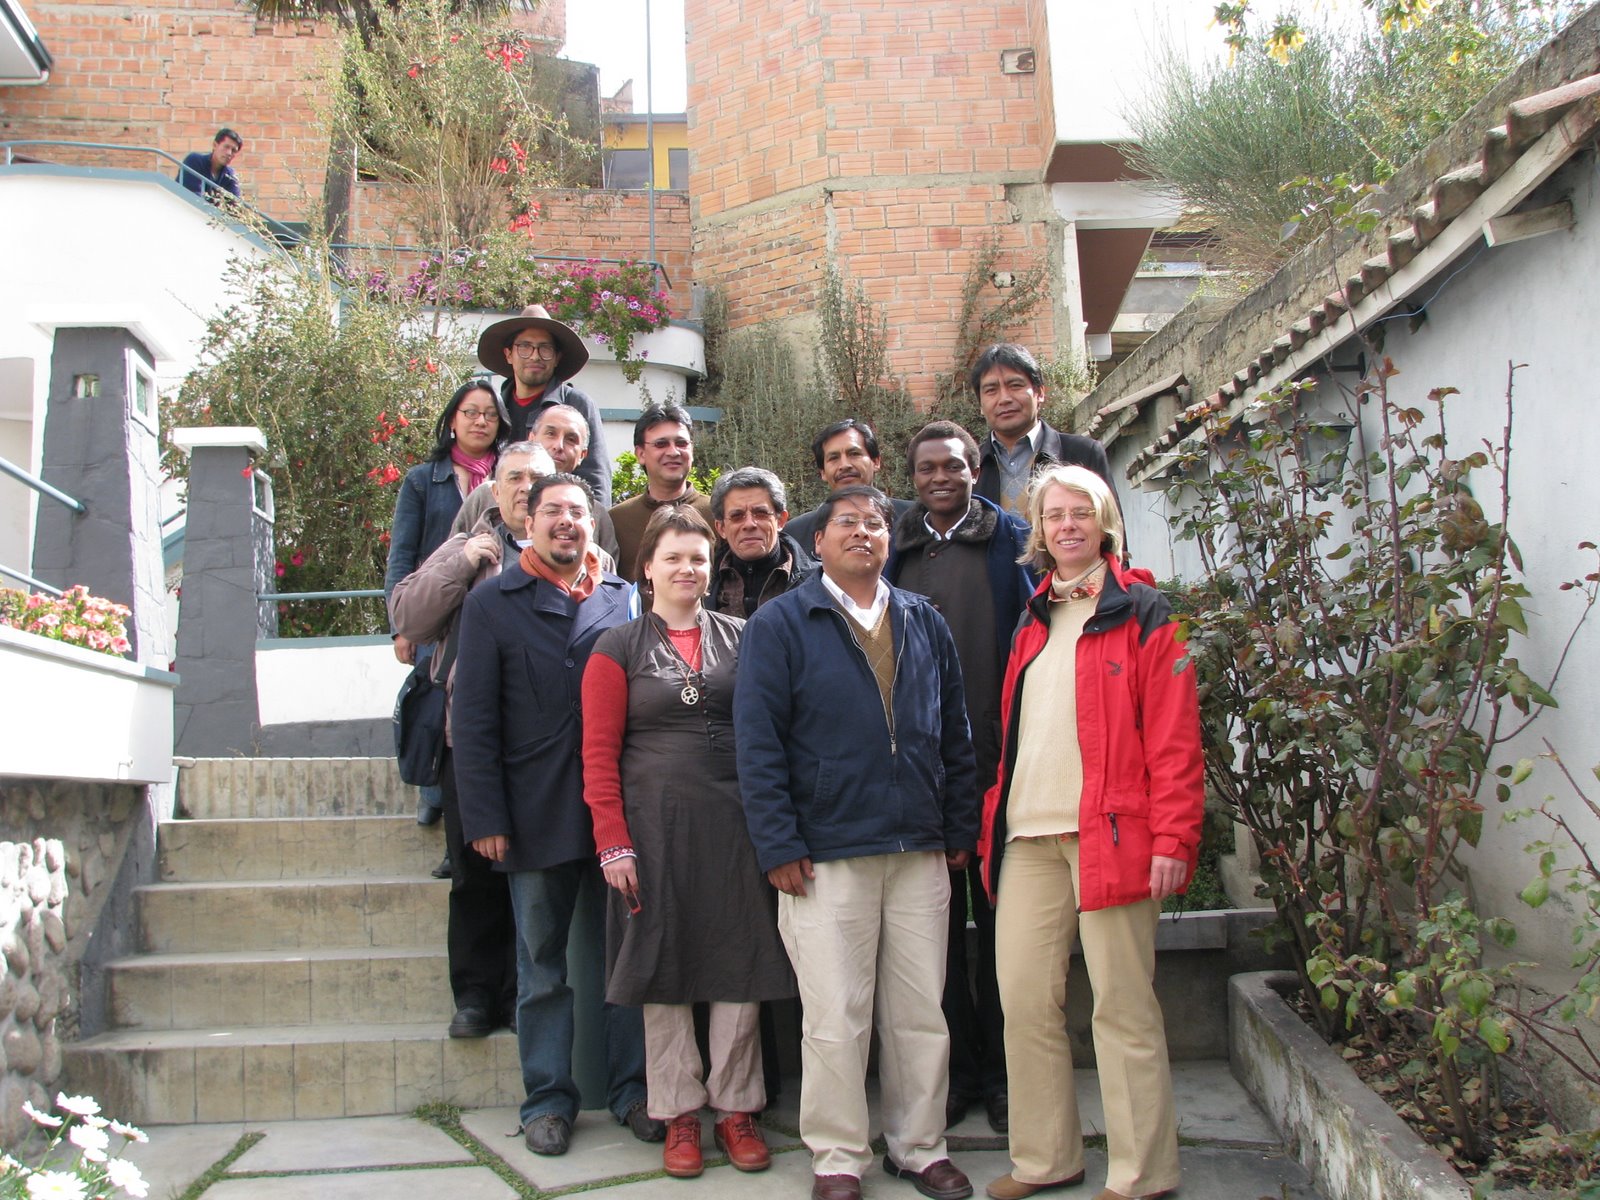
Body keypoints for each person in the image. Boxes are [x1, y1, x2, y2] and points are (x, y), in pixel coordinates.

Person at [736, 485, 979, 1200]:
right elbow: (757, 743)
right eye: (847, 522)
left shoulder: (923, 620)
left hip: (919, 848)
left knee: (920, 1013)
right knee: (836, 1016)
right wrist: (778, 842)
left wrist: (958, 825)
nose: (863, 532)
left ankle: (919, 1146)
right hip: (825, 851)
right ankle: (839, 1157)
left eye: (876, 522)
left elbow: (955, 731)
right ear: (818, 541)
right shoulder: (782, 623)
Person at [977, 465, 1204, 1200]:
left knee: (1122, 1006)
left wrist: (1174, 838)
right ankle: (1046, 1159)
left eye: (1081, 512)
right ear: (1039, 532)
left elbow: (1175, 736)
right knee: (1023, 1003)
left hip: (1111, 835)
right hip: (1026, 839)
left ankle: (1142, 1174)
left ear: (1104, 522)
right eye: (1054, 515)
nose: (1067, 525)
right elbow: (1017, 737)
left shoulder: (1144, 610)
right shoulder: (1032, 618)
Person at [582, 506, 796, 1178]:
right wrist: (613, 842)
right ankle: (677, 1112)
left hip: (736, 829)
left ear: (712, 567)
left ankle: (736, 1109)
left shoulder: (745, 637)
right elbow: (597, 755)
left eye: (698, 558)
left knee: (741, 961)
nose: (687, 569)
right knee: (663, 965)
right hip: (653, 831)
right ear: (646, 567)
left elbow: (774, 732)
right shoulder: (616, 646)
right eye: (673, 557)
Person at [451, 472, 660, 1156]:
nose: (567, 521)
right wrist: (485, 816)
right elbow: (473, 719)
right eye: (553, 511)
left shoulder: (621, 598)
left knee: (626, 959)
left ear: (592, 525)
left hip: (616, 812)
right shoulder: (491, 603)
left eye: (578, 511)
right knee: (541, 965)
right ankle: (546, 1099)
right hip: (533, 810)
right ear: (528, 523)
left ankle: (634, 1091)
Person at [885, 421, 1034, 1135]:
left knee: (1005, 935)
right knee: (933, 943)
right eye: (926, 468)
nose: (940, 478)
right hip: (922, 776)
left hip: (1002, 770)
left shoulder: (1011, 541)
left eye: (953, 466)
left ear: (976, 469)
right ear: (911, 477)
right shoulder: (895, 549)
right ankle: (956, 1076)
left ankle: (1005, 1076)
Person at [390, 442, 554, 1042]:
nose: (525, 487)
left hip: (546, 746)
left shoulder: (574, 548)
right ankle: (477, 996)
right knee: (474, 873)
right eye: (514, 477)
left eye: (537, 478)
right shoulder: (468, 544)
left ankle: (522, 997)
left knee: (535, 874)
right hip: (470, 740)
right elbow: (408, 617)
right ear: (494, 488)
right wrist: (462, 564)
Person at [385, 377, 503, 831]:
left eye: (490, 414)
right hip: (436, 605)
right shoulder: (423, 479)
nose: (480, 421)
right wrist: (400, 628)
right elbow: (402, 554)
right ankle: (433, 792)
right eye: (471, 412)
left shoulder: (513, 476)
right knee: (436, 699)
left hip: (487, 603)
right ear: (453, 420)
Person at [968, 344, 1121, 530]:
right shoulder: (969, 468)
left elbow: (1112, 530)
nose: (1004, 398)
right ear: (980, 405)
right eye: (991, 390)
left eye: (1015, 385)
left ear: (1040, 392)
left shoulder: (1083, 454)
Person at [477, 304, 613, 506]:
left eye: (545, 348)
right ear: (508, 354)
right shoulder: (495, 410)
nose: (535, 356)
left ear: (557, 357)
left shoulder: (577, 405)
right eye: (524, 347)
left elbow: (597, 481)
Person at [608, 403, 714, 581]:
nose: (673, 452)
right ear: (640, 454)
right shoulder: (617, 520)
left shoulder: (718, 514)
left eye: (681, 443)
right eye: (661, 444)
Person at [785, 419, 914, 550]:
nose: (845, 465)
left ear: (875, 462)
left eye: (854, 454)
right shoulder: (796, 534)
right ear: (823, 472)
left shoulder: (914, 519)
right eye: (834, 458)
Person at [705, 467, 815, 617]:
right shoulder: (703, 586)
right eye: (737, 516)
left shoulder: (818, 583)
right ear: (721, 528)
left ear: (780, 520)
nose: (749, 524)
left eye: (761, 513)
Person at [531, 403, 622, 563]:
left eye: (571, 439)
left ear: (582, 455)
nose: (558, 446)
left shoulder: (596, 513)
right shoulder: (499, 495)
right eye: (551, 434)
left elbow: (606, 573)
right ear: (531, 439)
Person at [177, 128, 242, 202]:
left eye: (234, 150)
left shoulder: (230, 176)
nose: (229, 153)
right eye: (226, 147)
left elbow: (235, 205)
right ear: (215, 145)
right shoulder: (194, 161)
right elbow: (193, 196)